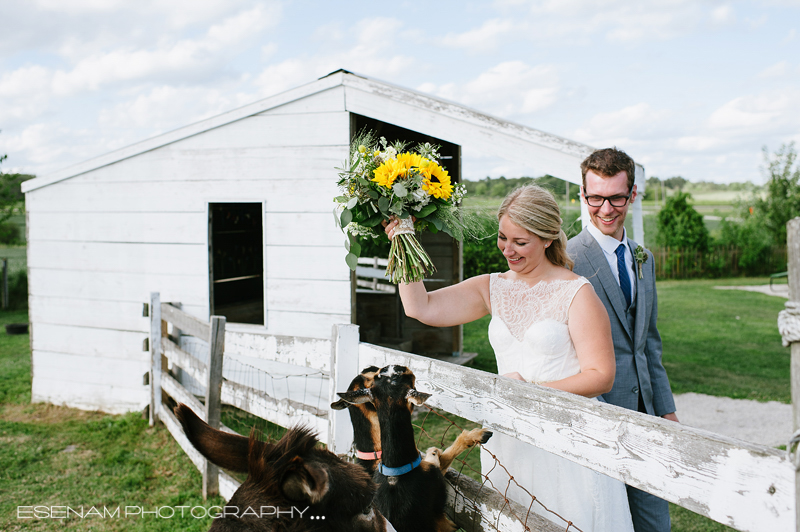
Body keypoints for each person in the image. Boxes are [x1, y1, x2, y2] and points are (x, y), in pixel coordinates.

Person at [384, 185, 634, 532]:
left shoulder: (577, 293)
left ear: (547, 238)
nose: (508, 250)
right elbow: (419, 307)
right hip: (508, 442)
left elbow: (601, 375)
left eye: (520, 242)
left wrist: (529, 392)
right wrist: (402, 241)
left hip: (564, 443)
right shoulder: (492, 287)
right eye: (503, 238)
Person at [567, 147, 677, 532]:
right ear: (583, 196)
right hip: (594, 419)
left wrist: (665, 410)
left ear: (631, 195)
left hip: (646, 418)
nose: (606, 209)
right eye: (595, 197)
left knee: (654, 523)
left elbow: (648, 344)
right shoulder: (565, 259)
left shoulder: (642, 257)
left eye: (616, 197)